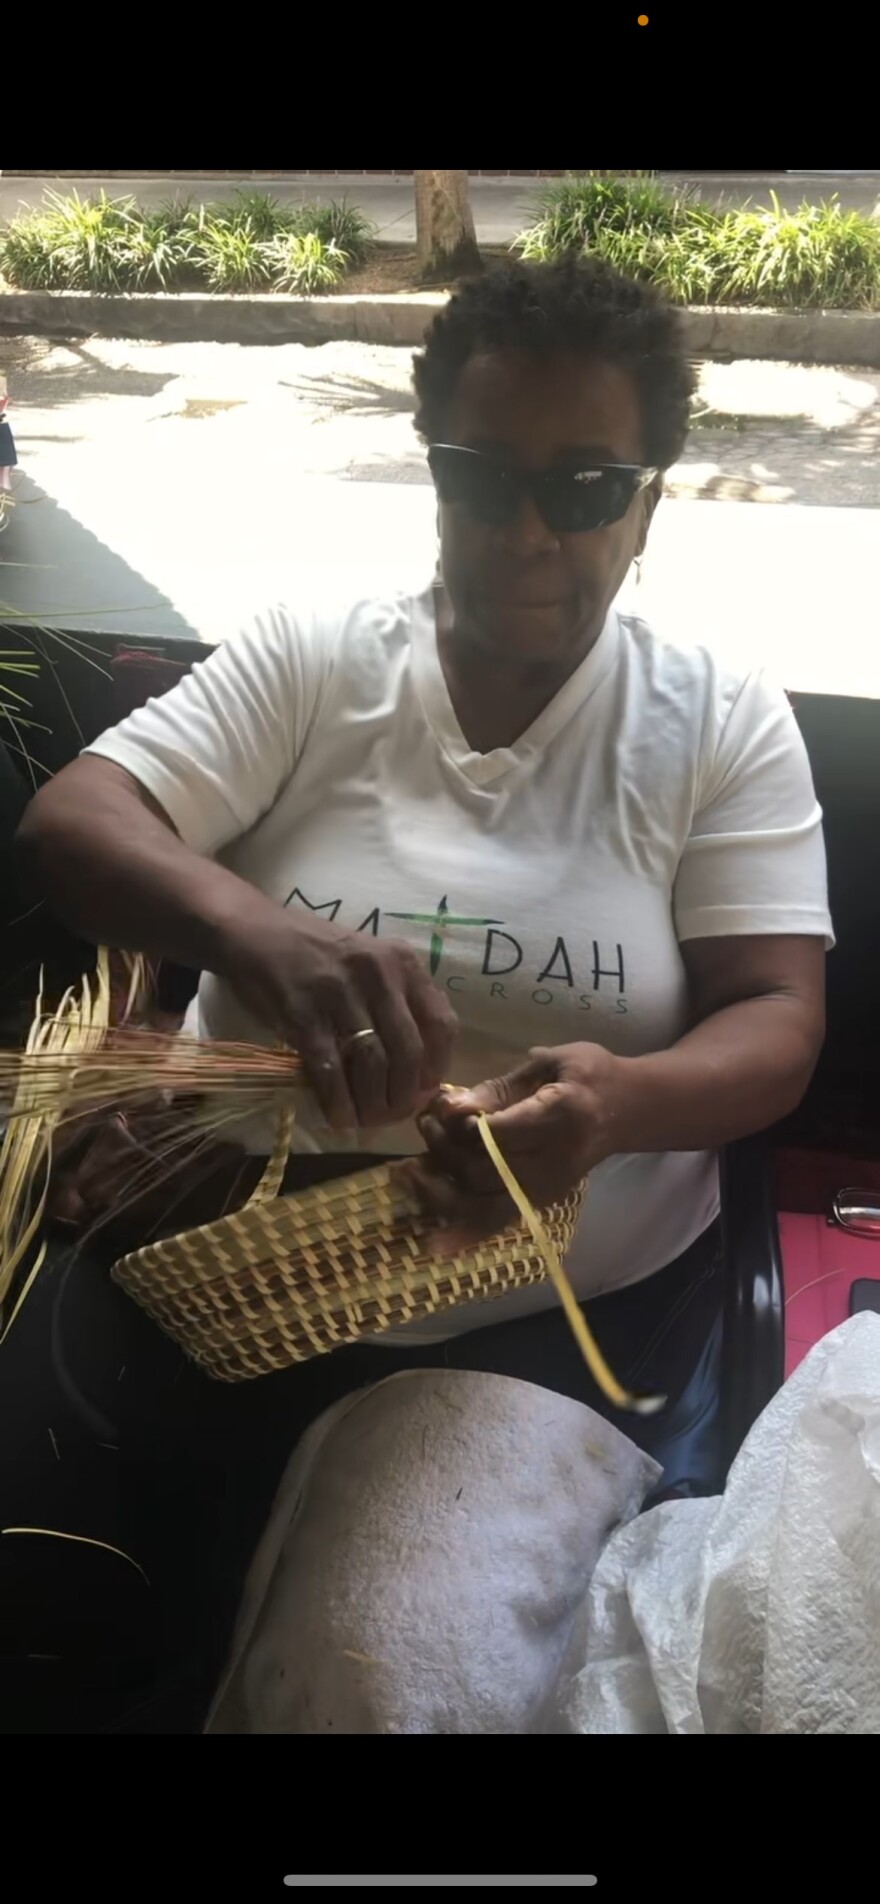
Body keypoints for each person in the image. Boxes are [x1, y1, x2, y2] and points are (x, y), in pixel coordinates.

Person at [15, 257, 832, 1730]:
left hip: (539, 1310)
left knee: (373, 1685)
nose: (527, 534)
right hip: (221, 1251)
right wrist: (265, 939)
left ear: (652, 502)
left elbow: (778, 1024)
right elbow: (77, 821)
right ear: (433, 470)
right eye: (481, 478)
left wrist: (616, 1107)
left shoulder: (715, 718)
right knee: (46, 1599)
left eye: (587, 488)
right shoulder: (321, 658)